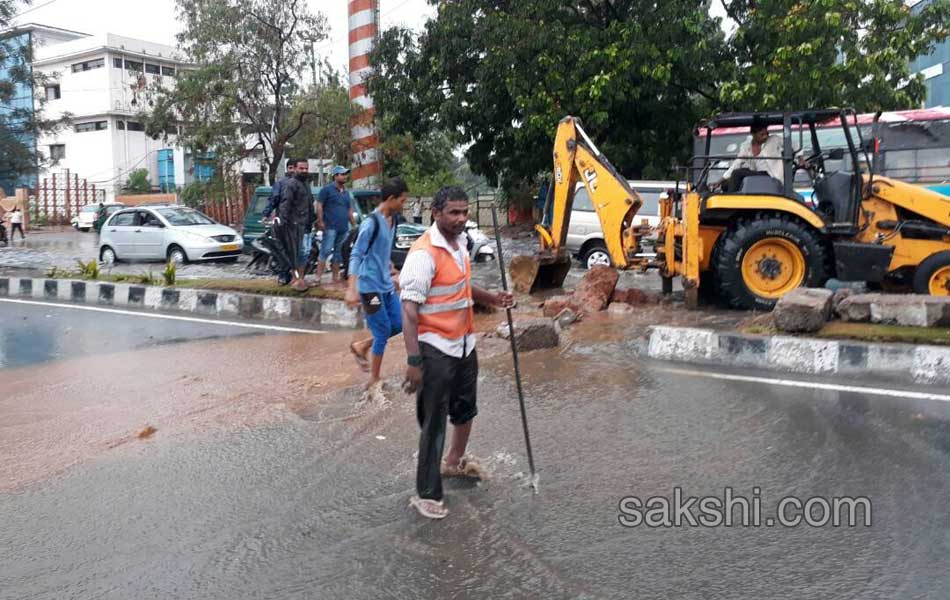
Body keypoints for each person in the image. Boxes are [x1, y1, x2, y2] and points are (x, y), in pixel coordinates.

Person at [399, 185, 515, 520]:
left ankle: (453, 462)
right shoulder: (423, 253)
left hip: (465, 342)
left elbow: (462, 286)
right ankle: (427, 493)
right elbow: (409, 310)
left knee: (465, 409)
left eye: (464, 212)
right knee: (434, 421)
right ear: (436, 213)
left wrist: (493, 298)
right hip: (434, 347)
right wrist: (413, 361)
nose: (461, 218)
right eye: (454, 212)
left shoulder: (461, 243)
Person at [345, 177, 409, 389]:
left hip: (386, 285)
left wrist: (392, 269)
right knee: (382, 332)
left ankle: (361, 345)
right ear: (391, 199)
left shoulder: (394, 220)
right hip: (369, 287)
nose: (404, 204)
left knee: (399, 324)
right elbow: (356, 255)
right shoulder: (370, 223)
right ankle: (374, 379)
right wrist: (351, 289)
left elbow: (381, 250)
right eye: (402, 200)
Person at [715, 121, 787, 192]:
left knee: (737, 173)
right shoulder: (746, 146)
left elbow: (794, 146)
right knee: (726, 184)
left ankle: (731, 200)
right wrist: (721, 180)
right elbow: (737, 163)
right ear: (753, 134)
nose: (765, 136)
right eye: (762, 134)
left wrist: (799, 156)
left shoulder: (774, 139)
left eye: (767, 134)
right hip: (756, 176)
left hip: (771, 176)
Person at [278, 158, 317, 292]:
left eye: (306, 168)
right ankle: (295, 279)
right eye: (301, 168)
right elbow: (285, 204)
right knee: (296, 253)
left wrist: (314, 220)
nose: (304, 171)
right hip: (294, 225)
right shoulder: (291, 184)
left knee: (305, 253)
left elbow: (310, 204)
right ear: (294, 169)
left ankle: (301, 278)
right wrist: (284, 223)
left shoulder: (306, 184)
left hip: (307, 224)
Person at [316, 165, 357, 286]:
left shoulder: (346, 192)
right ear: (335, 176)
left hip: (343, 227)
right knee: (326, 250)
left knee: (339, 253)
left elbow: (349, 209)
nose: (344, 176)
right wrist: (320, 220)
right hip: (330, 226)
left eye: (345, 174)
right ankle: (318, 277)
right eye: (342, 174)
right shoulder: (327, 190)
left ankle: (335, 277)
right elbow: (319, 205)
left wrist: (354, 224)